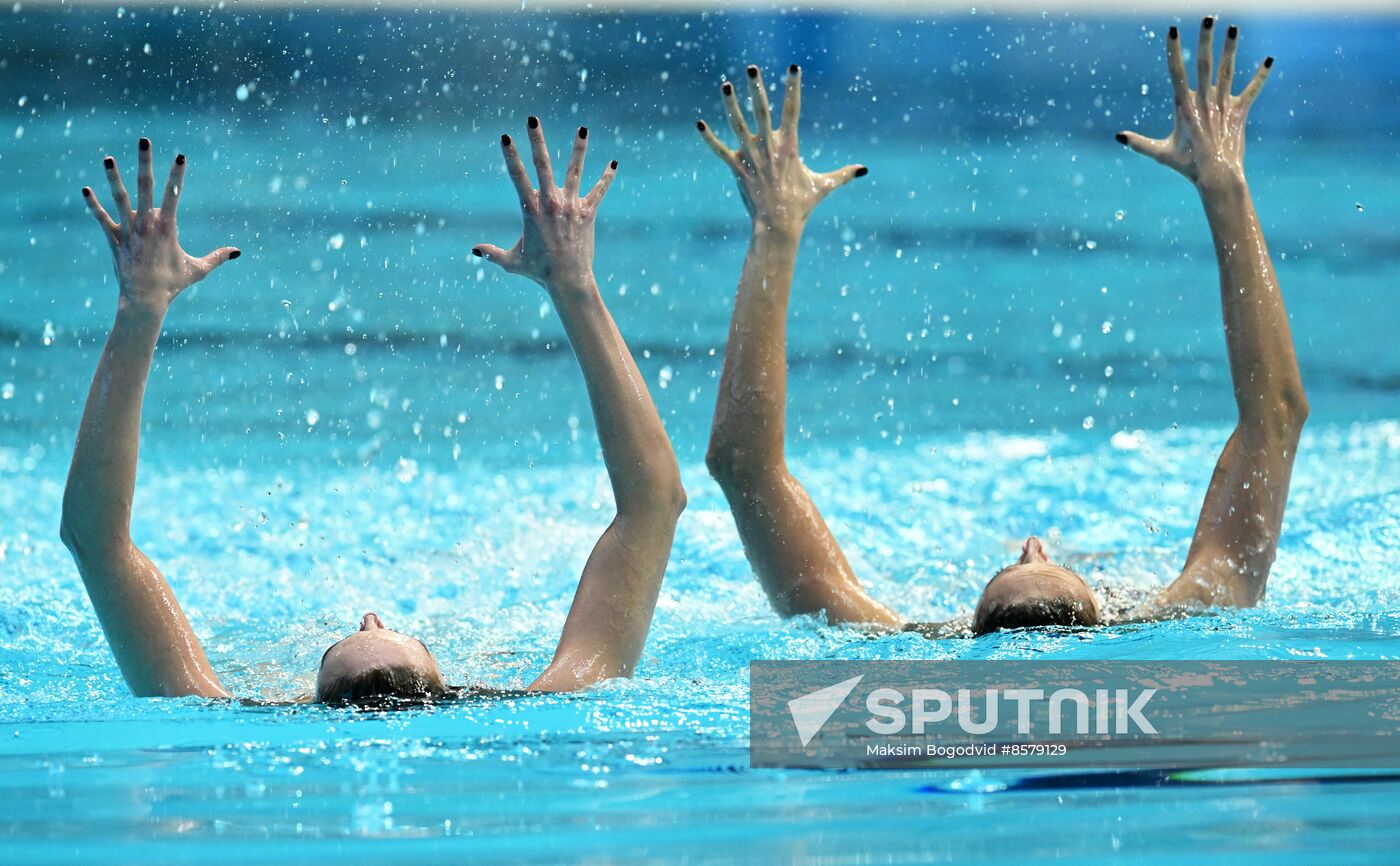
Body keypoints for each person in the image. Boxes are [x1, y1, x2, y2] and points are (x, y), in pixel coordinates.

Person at [697, 21, 1307, 637]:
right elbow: (1276, 414)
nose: (1035, 543)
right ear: (1110, 618)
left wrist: (773, 232)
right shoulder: (1183, 616)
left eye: (1015, 561)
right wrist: (1227, 185)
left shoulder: (907, 646)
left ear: (964, 627)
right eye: (1046, 561)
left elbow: (742, 463)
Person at [61, 123, 685, 704]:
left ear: (305, 699)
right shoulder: (553, 698)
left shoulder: (221, 713)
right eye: (393, 629)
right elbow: (657, 500)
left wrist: (138, 311)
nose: (370, 614)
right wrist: (577, 286)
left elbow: (95, 537)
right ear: (451, 689)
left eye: (349, 635)